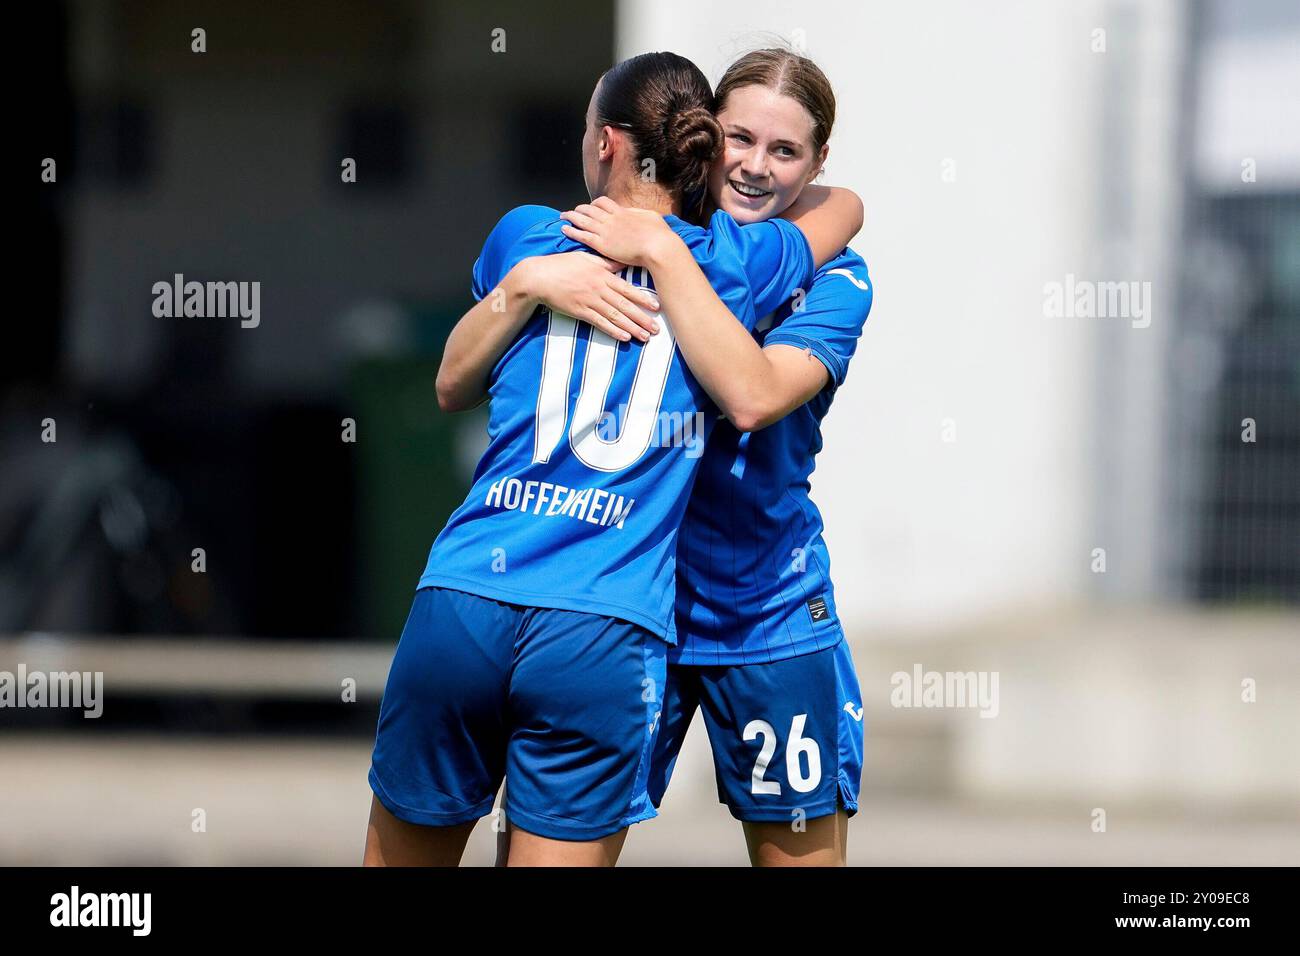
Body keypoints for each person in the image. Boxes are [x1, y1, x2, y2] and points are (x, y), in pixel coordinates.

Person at [364, 50, 863, 867]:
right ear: (703, 140)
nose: (754, 165)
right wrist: (582, 269)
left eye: (786, 151)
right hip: (617, 613)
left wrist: (623, 258)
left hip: (755, 610)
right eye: (736, 137)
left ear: (604, 144)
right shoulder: (742, 264)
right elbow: (845, 206)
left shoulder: (537, 234)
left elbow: (751, 393)